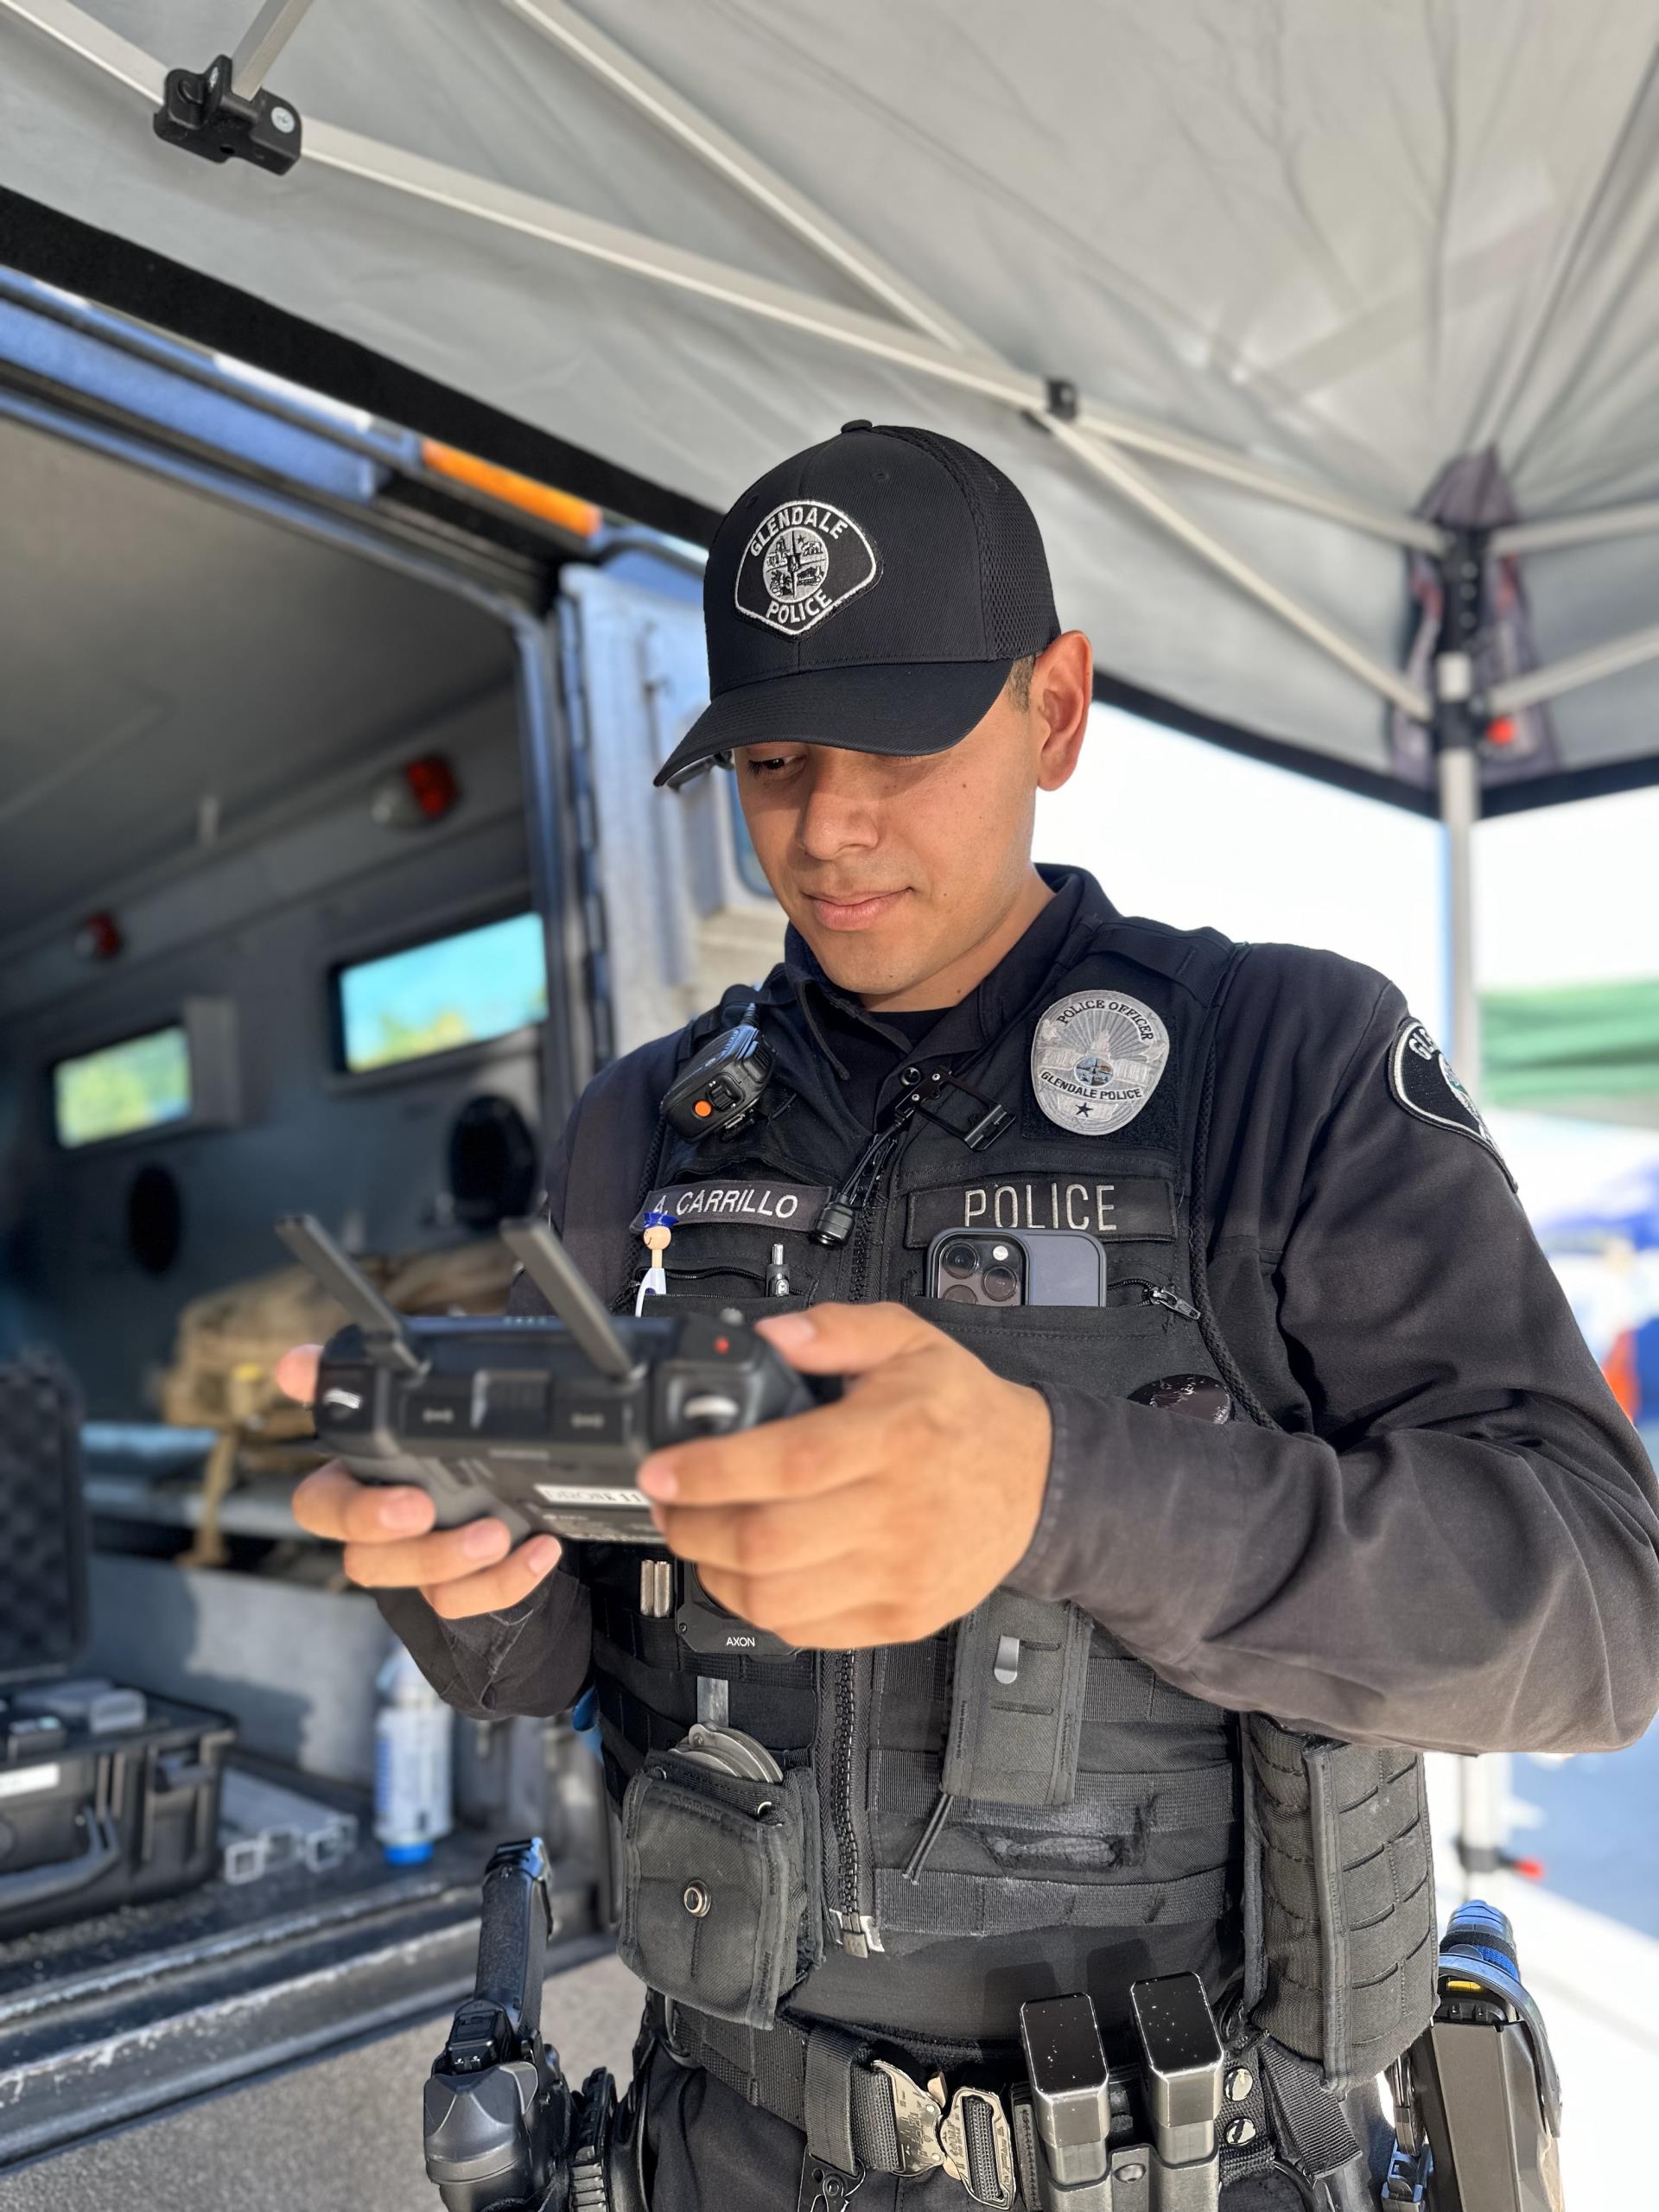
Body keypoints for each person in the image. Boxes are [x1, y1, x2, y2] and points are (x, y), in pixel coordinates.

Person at [279, 423, 1659, 2210]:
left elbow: (1601, 1613)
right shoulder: (645, 1120)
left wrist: (1059, 1488)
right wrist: (459, 1584)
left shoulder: (1286, 1068)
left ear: (1057, 711)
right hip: (731, 2142)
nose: (826, 823)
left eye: (899, 744)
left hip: (1185, 2157)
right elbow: (567, 1660)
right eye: (772, 757)